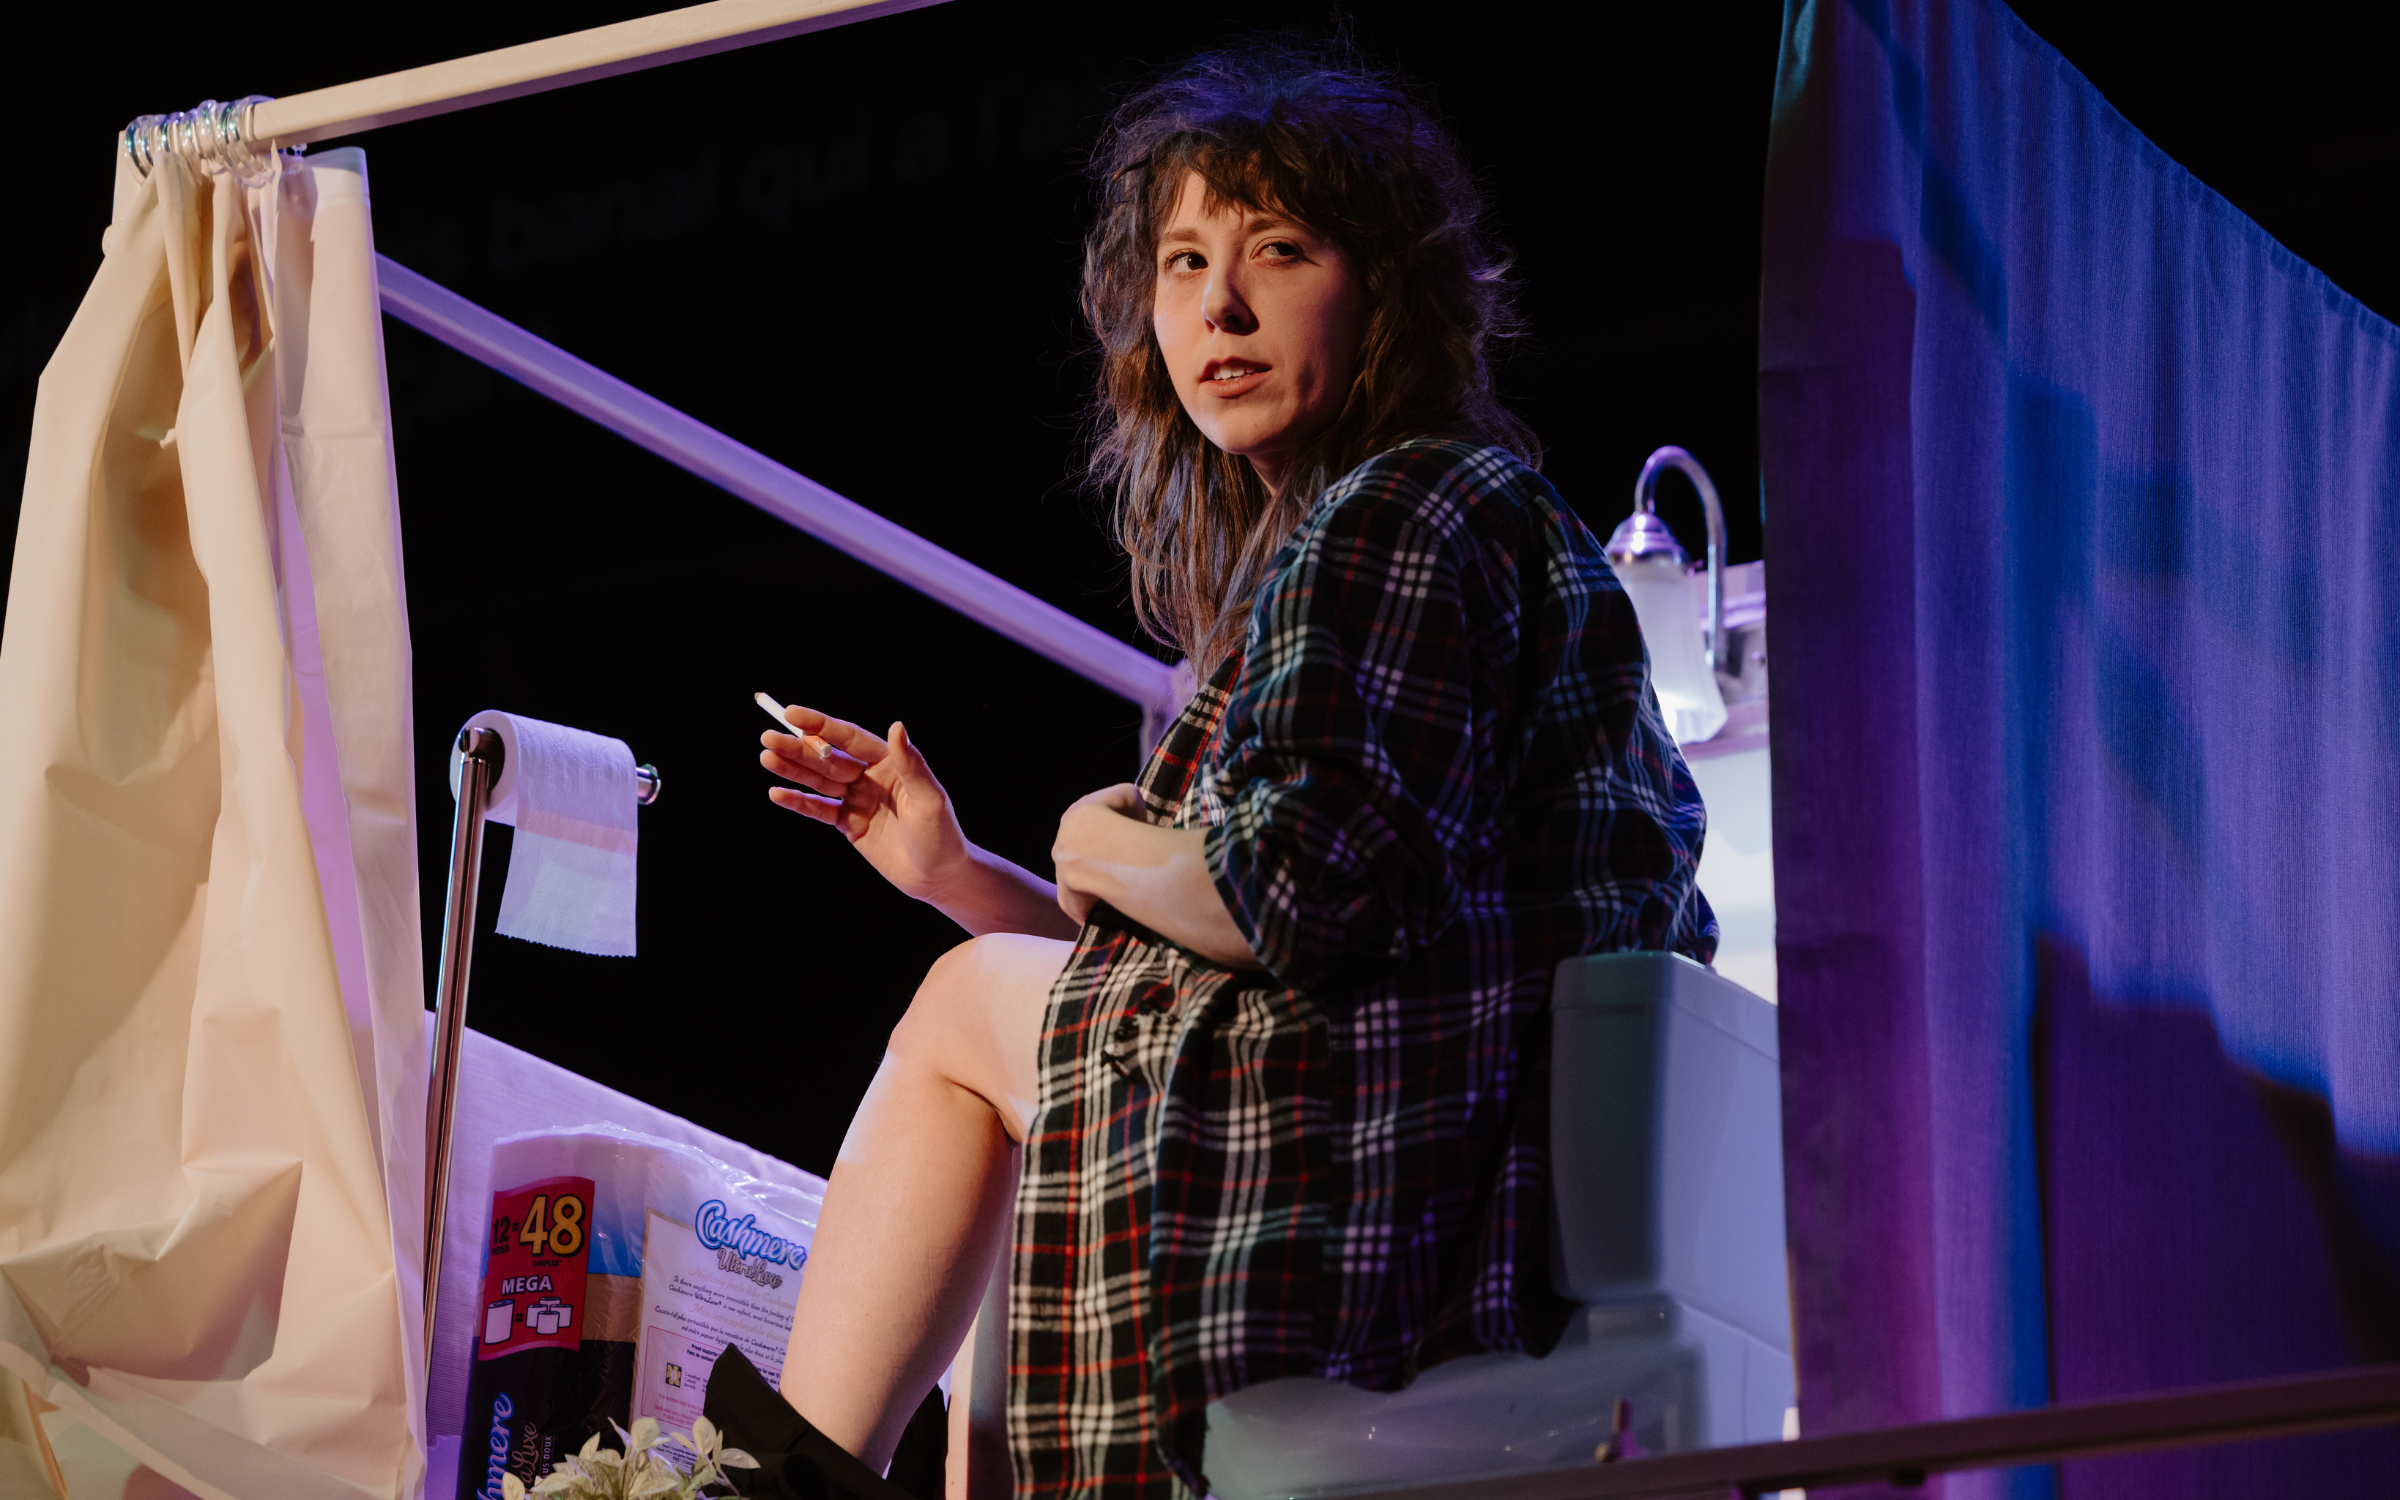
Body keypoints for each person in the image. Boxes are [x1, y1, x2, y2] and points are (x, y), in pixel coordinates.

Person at [730, 39, 1715, 1500]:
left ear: (1387, 290)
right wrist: (959, 873)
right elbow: (1200, 970)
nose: (1220, 306)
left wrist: (1086, 840)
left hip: (1389, 1176)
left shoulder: (1403, 505)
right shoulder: (1430, 516)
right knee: (977, 1003)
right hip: (1426, 1149)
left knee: (962, 1006)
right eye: (1184, 262)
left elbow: (1293, 901)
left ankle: (781, 1486)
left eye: (1281, 250)